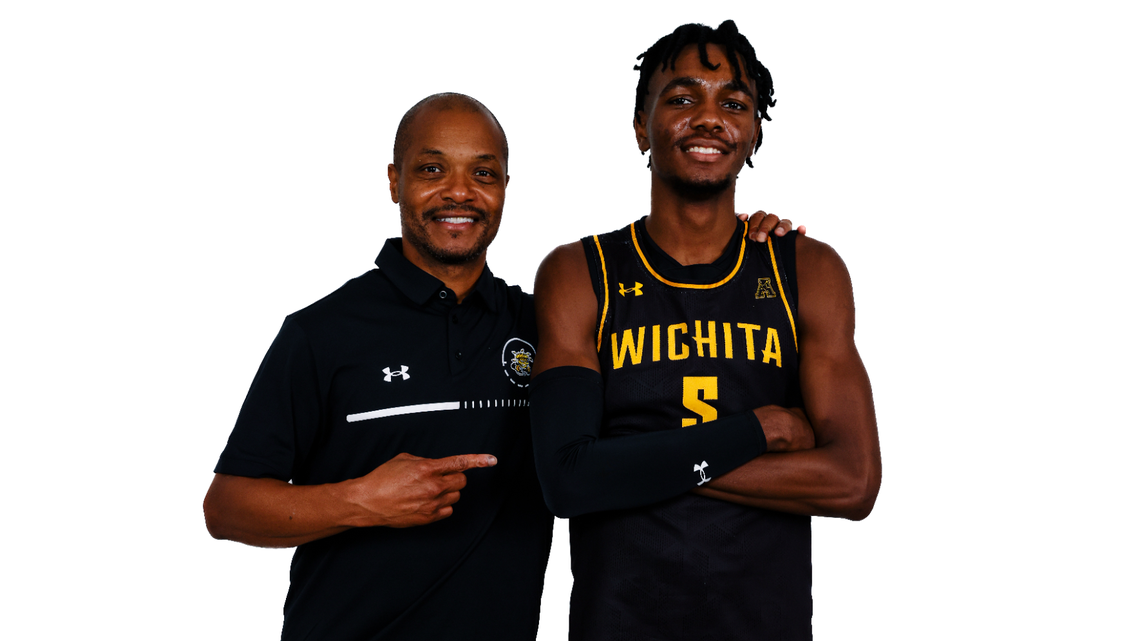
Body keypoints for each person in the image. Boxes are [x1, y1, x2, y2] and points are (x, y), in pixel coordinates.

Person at [203, 92, 797, 640]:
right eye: (432, 169)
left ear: (506, 187)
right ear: (394, 181)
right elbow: (226, 506)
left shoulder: (546, 327)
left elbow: (657, 380)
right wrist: (360, 501)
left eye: (482, 174)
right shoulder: (323, 332)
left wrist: (738, 245)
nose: (459, 192)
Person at [529, 20, 881, 641]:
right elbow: (568, 481)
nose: (709, 118)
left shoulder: (808, 268)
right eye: (683, 98)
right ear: (642, 126)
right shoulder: (579, 273)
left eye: (734, 103)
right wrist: (757, 434)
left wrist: (638, 465)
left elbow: (852, 482)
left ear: (753, 133)